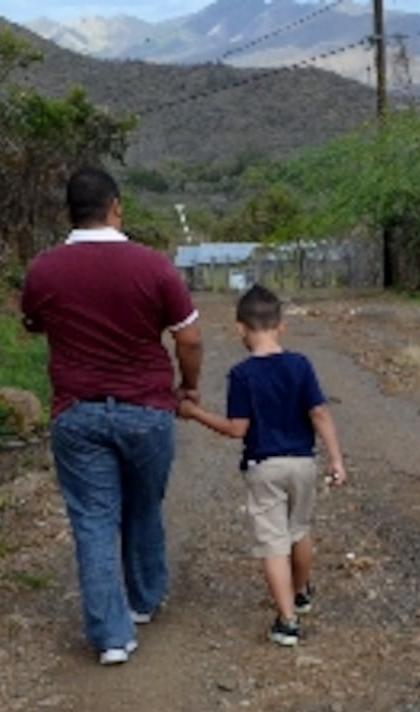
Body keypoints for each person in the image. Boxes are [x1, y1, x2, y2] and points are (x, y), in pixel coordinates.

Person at [20, 166, 203, 666]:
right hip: (147, 409)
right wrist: (187, 388)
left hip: (77, 412)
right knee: (144, 504)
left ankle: (112, 637)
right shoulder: (153, 266)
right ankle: (144, 600)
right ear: (116, 206)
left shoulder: (44, 269)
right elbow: (188, 337)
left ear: (70, 212)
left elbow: (35, 322)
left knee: (94, 520)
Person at [178, 283, 345, 647]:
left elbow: (237, 429)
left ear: (240, 328)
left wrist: (195, 414)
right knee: (299, 530)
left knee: (273, 542)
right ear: (282, 324)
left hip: (264, 465)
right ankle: (301, 593)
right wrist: (336, 458)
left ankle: (287, 622)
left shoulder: (242, 374)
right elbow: (319, 412)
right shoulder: (301, 365)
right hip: (303, 462)